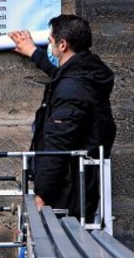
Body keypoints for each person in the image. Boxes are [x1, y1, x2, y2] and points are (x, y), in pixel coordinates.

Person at [8, 15, 116, 221]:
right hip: (80, 183)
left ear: (63, 45)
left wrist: (42, 194)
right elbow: (62, 76)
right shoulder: (87, 73)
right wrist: (34, 53)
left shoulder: (72, 89)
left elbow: (58, 144)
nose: (49, 45)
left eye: (50, 41)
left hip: (68, 190)